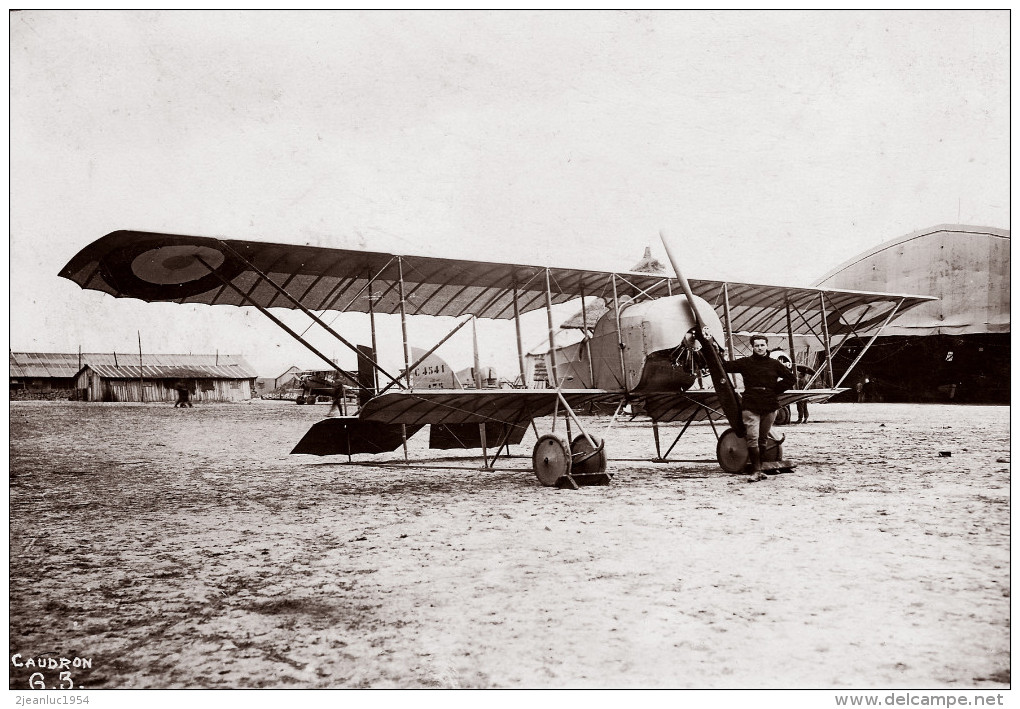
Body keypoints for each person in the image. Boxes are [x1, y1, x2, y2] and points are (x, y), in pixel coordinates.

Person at [721, 334, 796, 482]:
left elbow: (791, 379)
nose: (759, 348)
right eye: (756, 346)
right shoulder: (745, 362)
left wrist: (774, 390)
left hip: (770, 404)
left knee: (763, 439)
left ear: (767, 346)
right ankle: (756, 471)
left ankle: (760, 468)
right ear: (752, 347)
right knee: (752, 438)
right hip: (751, 403)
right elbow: (725, 367)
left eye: (762, 345)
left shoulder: (774, 364)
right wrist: (717, 353)